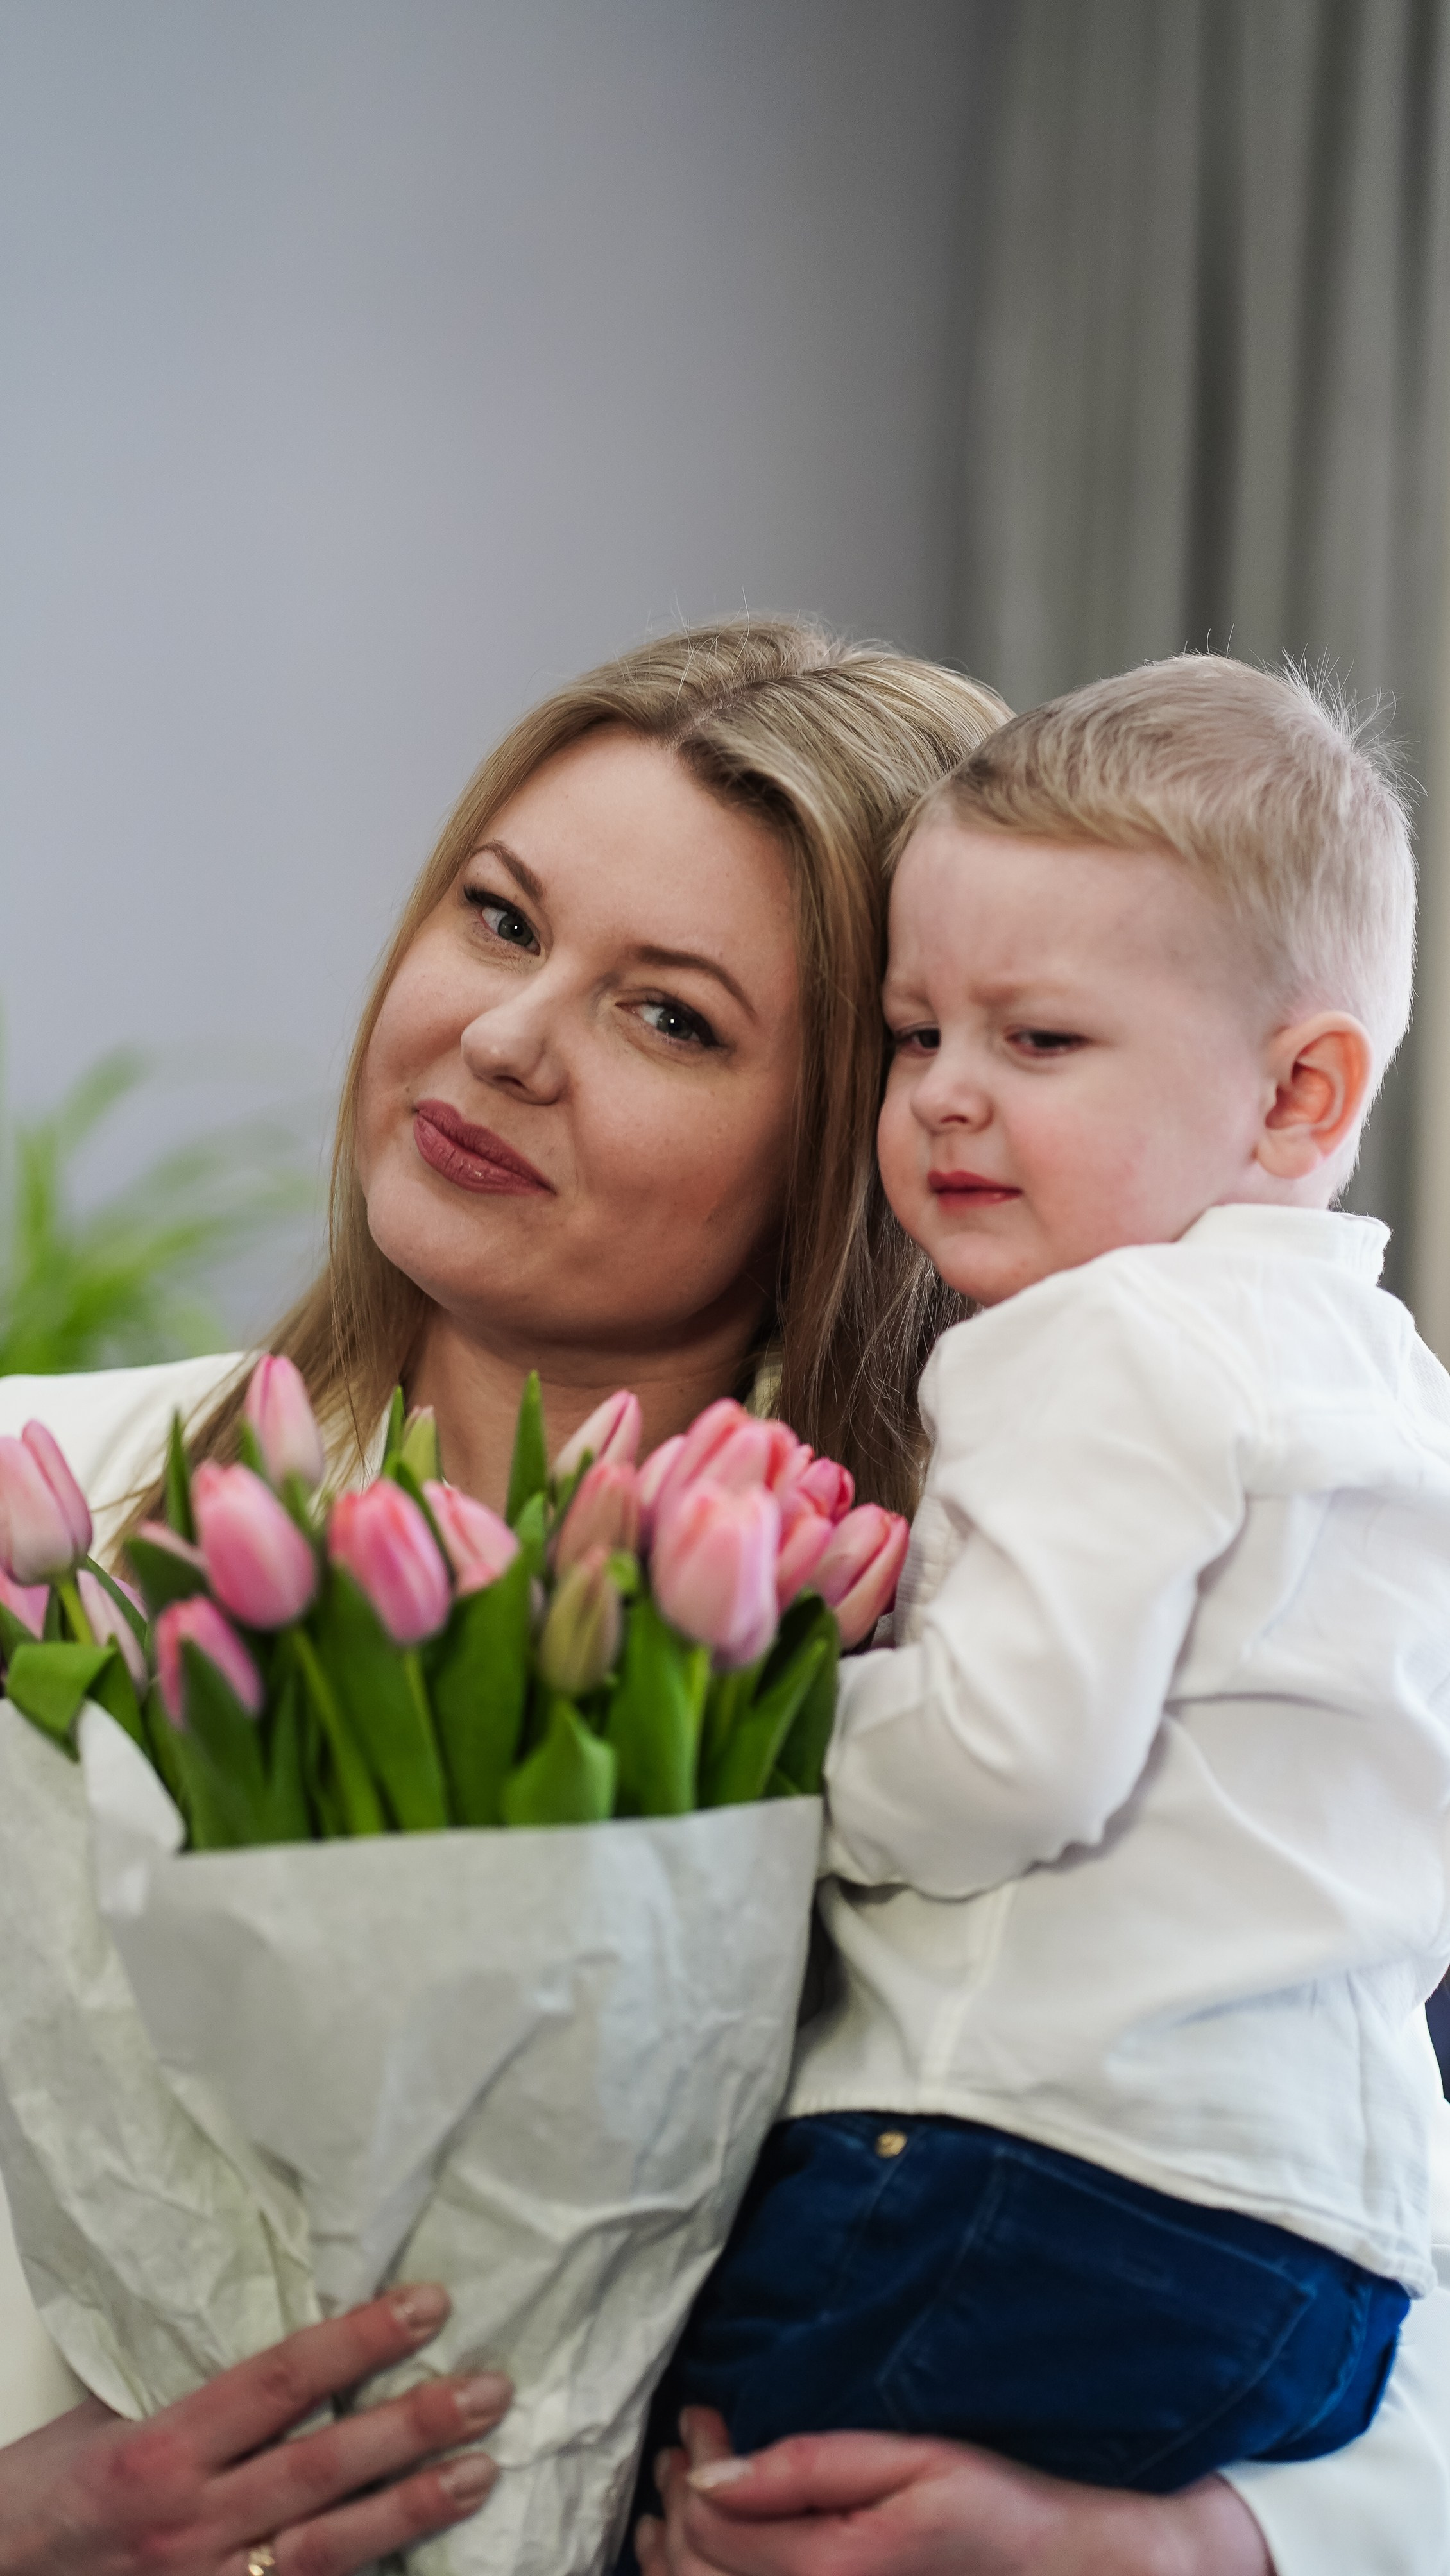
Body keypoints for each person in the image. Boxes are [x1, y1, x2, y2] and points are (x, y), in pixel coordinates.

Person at [0, 624, 1446, 2573]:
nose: (507, 1039)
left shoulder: (1044, 1644)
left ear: (856, 1141)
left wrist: (1164, 2548)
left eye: (670, 1018)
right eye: (499, 919)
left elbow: (1350, 2237)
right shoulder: (46, 1504)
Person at [643, 656, 1450, 2520]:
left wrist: (746, 1721)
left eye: (1040, 1042)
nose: (944, 1098)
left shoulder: (1101, 1338)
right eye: (916, 1034)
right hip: (1326, 2254)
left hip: (1029, 2160)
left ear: (1298, 1094)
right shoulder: (1392, 1393)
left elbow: (1007, 1761)